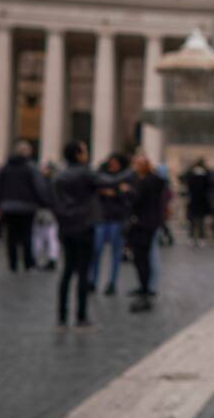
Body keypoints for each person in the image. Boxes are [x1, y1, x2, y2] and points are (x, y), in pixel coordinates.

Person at [50, 140, 132, 329]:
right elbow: (110, 181)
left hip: (66, 227)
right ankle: (81, 317)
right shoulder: (85, 173)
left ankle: (61, 317)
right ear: (79, 154)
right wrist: (131, 171)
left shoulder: (58, 176)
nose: (86, 154)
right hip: (84, 226)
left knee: (67, 271)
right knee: (83, 273)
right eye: (85, 151)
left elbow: (54, 203)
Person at [0, 141, 49, 273]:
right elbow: (39, 187)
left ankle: (13, 264)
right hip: (27, 206)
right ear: (26, 152)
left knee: (11, 236)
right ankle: (27, 263)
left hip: (8, 206)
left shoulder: (6, 167)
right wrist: (45, 202)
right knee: (27, 235)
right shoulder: (30, 167)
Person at [125, 152, 167, 313]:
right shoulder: (156, 180)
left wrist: (127, 191)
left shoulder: (144, 182)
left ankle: (145, 290)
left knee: (142, 258)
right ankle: (146, 288)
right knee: (146, 258)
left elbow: (136, 200)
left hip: (142, 224)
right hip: (151, 223)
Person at [89, 153, 130, 295]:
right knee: (96, 251)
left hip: (117, 218)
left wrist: (115, 193)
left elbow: (126, 195)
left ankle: (112, 283)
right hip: (101, 218)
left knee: (115, 253)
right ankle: (92, 281)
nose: (113, 165)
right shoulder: (101, 174)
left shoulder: (125, 176)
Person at [182, 158, 212, 247]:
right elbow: (208, 188)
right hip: (202, 201)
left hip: (193, 201)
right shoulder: (206, 175)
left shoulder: (191, 175)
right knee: (201, 221)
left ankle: (191, 237)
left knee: (192, 221)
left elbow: (185, 182)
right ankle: (201, 238)